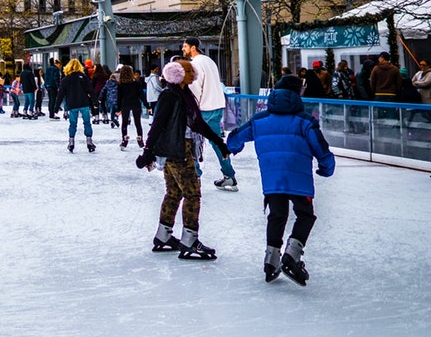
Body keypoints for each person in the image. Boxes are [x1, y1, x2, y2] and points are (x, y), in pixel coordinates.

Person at [227, 74, 335, 285]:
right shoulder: (305, 121)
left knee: (277, 215)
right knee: (305, 216)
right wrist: (326, 168)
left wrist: (232, 148)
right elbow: (321, 149)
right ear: (297, 94)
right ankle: (291, 256)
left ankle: (271, 260)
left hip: (273, 178)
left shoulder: (260, 119)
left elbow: (236, 136)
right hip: (299, 179)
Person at [136, 60, 227, 260]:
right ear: (176, 74)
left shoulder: (184, 95)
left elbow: (198, 125)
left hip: (176, 149)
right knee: (192, 194)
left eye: (190, 70)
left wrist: (219, 143)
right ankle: (189, 241)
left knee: (174, 192)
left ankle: (163, 236)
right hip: (177, 150)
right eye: (186, 70)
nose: (191, 73)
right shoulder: (170, 96)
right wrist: (148, 152)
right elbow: (157, 124)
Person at [182, 37, 238, 191]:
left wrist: (190, 108)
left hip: (202, 109)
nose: (183, 49)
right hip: (216, 107)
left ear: (193, 48)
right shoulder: (209, 61)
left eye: (185, 46)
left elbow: (195, 88)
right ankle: (229, 175)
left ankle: (195, 175)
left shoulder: (195, 64)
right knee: (217, 142)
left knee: (193, 143)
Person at [53, 58, 95, 153]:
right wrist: (95, 101)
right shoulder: (83, 77)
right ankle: (89, 141)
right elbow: (90, 90)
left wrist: (56, 108)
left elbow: (61, 94)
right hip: (84, 103)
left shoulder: (66, 79)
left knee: (73, 124)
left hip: (72, 104)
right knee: (87, 123)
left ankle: (71, 142)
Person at [118, 67, 146, 150]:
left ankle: (124, 139)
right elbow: (141, 94)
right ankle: (140, 138)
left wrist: (118, 108)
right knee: (138, 122)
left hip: (125, 104)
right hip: (135, 103)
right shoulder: (136, 82)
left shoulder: (121, 84)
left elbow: (119, 97)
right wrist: (146, 105)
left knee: (124, 122)